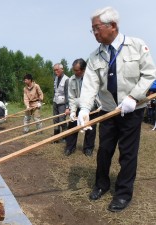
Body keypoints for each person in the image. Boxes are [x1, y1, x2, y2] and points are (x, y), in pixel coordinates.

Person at [77, 6, 156, 212]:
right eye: (92, 29)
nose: (94, 33)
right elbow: (90, 85)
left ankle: (123, 193)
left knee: (128, 153)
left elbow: (149, 75)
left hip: (132, 109)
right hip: (108, 111)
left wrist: (133, 97)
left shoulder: (137, 46)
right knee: (104, 150)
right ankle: (101, 184)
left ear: (112, 26)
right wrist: (84, 109)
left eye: (97, 28)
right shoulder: (95, 57)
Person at [64, 58, 100, 156]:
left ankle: (88, 149)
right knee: (72, 126)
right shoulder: (71, 80)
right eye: (73, 70)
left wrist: (99, 106)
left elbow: (97, 94)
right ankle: (70, 147)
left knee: (90, 127)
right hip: (77, 107)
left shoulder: (92, 78)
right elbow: (71, 97)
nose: (74, 72)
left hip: (92, 108)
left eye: (77, 70)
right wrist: (72, 111)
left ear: (83, 69)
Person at [52, 63, 69, 143]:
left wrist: (67, 107)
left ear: (62, 69)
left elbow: (67, 94)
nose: (56, 72)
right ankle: (56, 136)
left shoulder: (66, 79)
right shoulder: (55, 78)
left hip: (62, 102)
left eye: (57, 70)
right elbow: (55, 90)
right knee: (55, 119)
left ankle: (65, 137)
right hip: (55, 101)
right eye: (54, 70)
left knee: (62, 120)